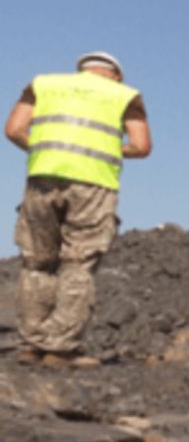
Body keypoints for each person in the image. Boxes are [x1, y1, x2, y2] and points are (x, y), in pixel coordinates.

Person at [4, 52, 151, 366]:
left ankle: (32, 345)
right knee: (78, 264)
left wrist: (48, 149)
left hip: (42, 176)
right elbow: (141, 146)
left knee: (37, 262)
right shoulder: (124, 95)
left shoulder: (44, 84)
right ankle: (59, 348)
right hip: (93, 184)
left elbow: (14, 129)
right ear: (115, 76)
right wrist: (107, 150)